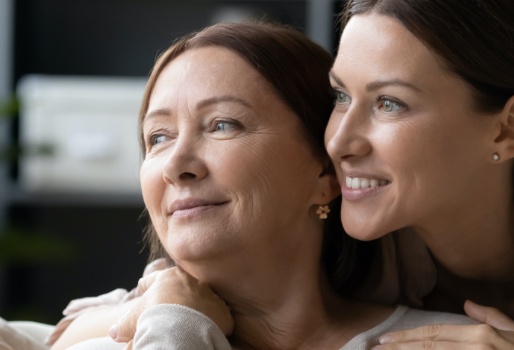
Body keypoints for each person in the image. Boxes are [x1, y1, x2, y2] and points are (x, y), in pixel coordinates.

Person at [57, 1, 514, 349]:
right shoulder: (369, 227)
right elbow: (111, 314)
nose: (338, 141)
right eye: (339, 97)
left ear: (508, 128)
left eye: (390, 104)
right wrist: (155, 310)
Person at [53, 22, 475, 350]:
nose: (176, 167)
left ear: (326, 175)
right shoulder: (115, 337)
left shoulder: (452, 342)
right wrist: (173, 317)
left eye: (223, 125)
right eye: (158, 137)